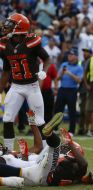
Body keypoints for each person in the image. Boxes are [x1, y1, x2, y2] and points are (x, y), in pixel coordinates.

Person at [0, 112, 93, 187]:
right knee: (14, 171)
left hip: (44, 172)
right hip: (35, 170)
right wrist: (24, 154)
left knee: (51, 147)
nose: (64, 147)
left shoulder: (74, 166)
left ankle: (49, 134)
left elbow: (83, 164)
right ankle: (49, 134)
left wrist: (70, 144)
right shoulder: (75, 171)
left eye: (66, 147)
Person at [0, 13, 50, 150]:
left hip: (32, 86)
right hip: (16, 86)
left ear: (19, 27)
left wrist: (43, 70)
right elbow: (6, 71)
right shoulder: (4, 44)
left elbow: (47, 58)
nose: (6, 26)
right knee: (8, 118)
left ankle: (46, 152)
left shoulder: (31, 41)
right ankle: (8, 153)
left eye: (10, 24)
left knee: (39, 121)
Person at [54, 47, 84, 135]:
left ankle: (71, 130)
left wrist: (69, 73)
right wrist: (62, 73)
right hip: (62, 89)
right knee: (58, 111)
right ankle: (55, 128)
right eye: (69, 55)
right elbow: (58, 78)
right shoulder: (64, 64)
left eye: (71, 55)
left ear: (76, 57)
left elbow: (79, 80)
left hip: (72, 90)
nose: (69, 56)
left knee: (72, 111)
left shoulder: (79, 68)